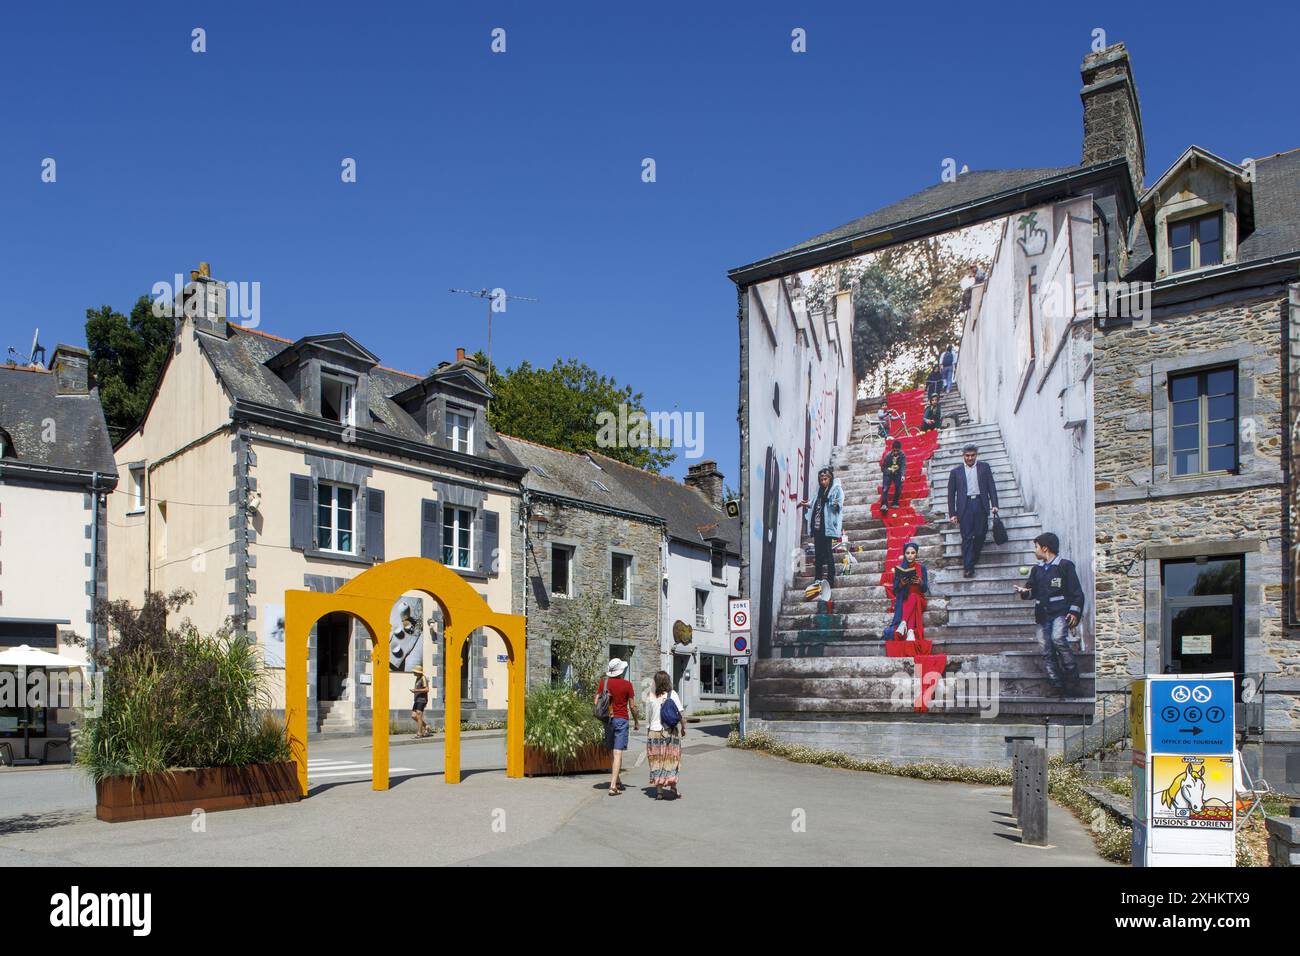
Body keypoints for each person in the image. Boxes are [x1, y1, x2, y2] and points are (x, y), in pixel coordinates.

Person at [1015, 532, 1084, 697]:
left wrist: (1074, 612)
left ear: (1045, 548)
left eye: (1036, 547)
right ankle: (1057, 685)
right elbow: (1032, 592)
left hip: (1060, 612)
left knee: (1058, 639)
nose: (1035, 550)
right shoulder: (1036, 570)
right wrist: (1024, 592)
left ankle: (1073, 682)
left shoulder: (1065, 566)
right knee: (1046, 649)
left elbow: (1077, 593)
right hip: (1042, 615)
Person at [947, 444, 999, 578]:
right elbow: (951, 494)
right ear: (963, 456)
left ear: (976, 455)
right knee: (967, 537)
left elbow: (991, 486)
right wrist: (952, 513)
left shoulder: (984, 467)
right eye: (967, 456)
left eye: (972, 455)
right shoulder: (955, 472)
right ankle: (968, 567)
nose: (970, 458)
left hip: (980, 504)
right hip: (965, 506)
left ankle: (974, 556)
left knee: (981, 533)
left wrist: (994, 504)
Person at [596, 658, 639, 796]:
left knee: (611, 750)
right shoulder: (627, 685)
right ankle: (613, 786)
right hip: (621, 719)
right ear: (621, 671)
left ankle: (617, 779)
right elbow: (632, 706)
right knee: (618, 752)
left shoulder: (604, 682)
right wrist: (637, 721)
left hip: (608, 719)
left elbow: (596, 700)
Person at [798, 466, 843, 587]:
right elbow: (814, 504)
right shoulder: (819, 491)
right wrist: (806, 504)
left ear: (830, 478)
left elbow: (838, 504)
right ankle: (817, 578)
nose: (823, 481)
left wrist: (835, 505)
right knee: (818, 554)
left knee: (828, 553)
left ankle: (830, 579)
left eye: (825, 479)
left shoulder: (835, 489)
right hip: (817, 526)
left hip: (827, 527)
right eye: (821, 479)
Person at [646, 670, 685, 800]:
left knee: (656, 761)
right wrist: (684, 728)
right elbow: (680, 715)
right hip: (669, 732)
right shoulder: (672, 694)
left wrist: (649, 732)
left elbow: (648, 719)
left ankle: (659, 792)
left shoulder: (650, 696)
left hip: (654, 733)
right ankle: (673, 788)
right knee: (672, 760)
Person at [890, 541, 930, 642]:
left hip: (920, 599)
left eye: (913, 553)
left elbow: (925, 589)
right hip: (905, 599)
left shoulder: (922, 568)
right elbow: (895, 591)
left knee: (914, 596)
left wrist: (920, 582)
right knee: (912, 597)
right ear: (904, 554)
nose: (910, 556)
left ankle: (903, 623)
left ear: (916, 554)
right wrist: (901, 584)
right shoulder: (901, 568)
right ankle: (910, 631)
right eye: (907, 553)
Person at [879, 440, 905, 515]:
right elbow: (883, 468)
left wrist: (903, 475)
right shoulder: (887, 456)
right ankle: (884, 504)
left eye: (897, 451)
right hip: (888, 473)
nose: (896, 452)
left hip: (897, 473)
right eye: (894, 451)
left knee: (898, 487)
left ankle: (895, 502)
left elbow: (903, 465)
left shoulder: (902, 455)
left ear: (899, 450)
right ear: (892, 449)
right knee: (885, 488)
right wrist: (889, 470)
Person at [410, 665, 430, 737]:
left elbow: (427, 689)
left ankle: (419, 733)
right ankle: (426, 726)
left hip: (422, 699)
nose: (413, 672)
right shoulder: (418, 678)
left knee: (418, 715)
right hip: (417, 700)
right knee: (413, 716)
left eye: (414, 671)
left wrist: (416, 690)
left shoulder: (423, 678)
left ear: (418, 672)